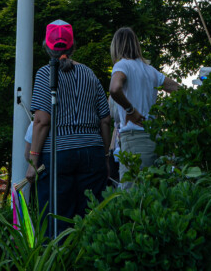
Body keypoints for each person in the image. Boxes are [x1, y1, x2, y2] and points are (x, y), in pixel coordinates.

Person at [26, 20, 111, 234]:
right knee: (92, 219)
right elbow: (105, 119)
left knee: (57, 223)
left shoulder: (46, 73)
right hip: (92, 152)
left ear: (46, 45)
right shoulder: (89, 74)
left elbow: (41, 121)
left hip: (57, 156)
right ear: (73, 46)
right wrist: (105, 156)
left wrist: (33, 161)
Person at [108, 26, 181, 188]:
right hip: (154, 139)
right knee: (153, 194)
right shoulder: (151, 71)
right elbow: (178, 89)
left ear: (116, 46)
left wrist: (130, 110)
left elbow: (114, 89)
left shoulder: (122, 66)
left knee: (132, 198)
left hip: (134, 141)